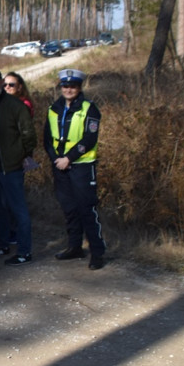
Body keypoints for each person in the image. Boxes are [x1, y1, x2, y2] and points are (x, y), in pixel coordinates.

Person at [44, 68, 106, 270]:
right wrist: (56, 159)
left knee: (86, 209)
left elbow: (89, 138)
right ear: (61, 87)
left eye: (73, 86)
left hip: (82, 166)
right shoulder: (54, 108)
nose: (69, 89)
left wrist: (68, 158)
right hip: (60, 167)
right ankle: (74, 247)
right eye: (65, 86)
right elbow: (47, 138)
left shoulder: (90, 108)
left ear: (79, 87)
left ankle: (97, 253)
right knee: (69, 209)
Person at [0, 68, 37, 265]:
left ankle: (24, 251)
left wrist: (23, 156)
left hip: (11, 166)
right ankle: (3, 244)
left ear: (1, 82)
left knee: (18, 209)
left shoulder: (16, 106)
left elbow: (29, 135)